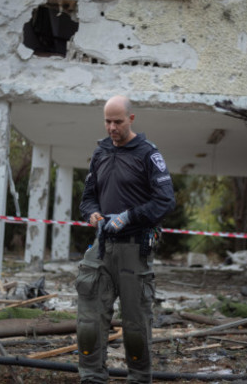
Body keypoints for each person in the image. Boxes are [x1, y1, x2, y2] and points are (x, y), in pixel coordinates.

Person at [76, 95, 176, 383]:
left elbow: (166, 201)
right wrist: (93, 213)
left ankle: (139, 378)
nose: (111, 128)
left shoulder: (147, 154)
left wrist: (130, 216)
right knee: (89, 323)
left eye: (117, 122)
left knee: (135, 326)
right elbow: (88, 198)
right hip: (101, 248)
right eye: (107, 121)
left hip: (135, 249)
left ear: (131, 119)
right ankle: (92, 377)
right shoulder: (100, 153)